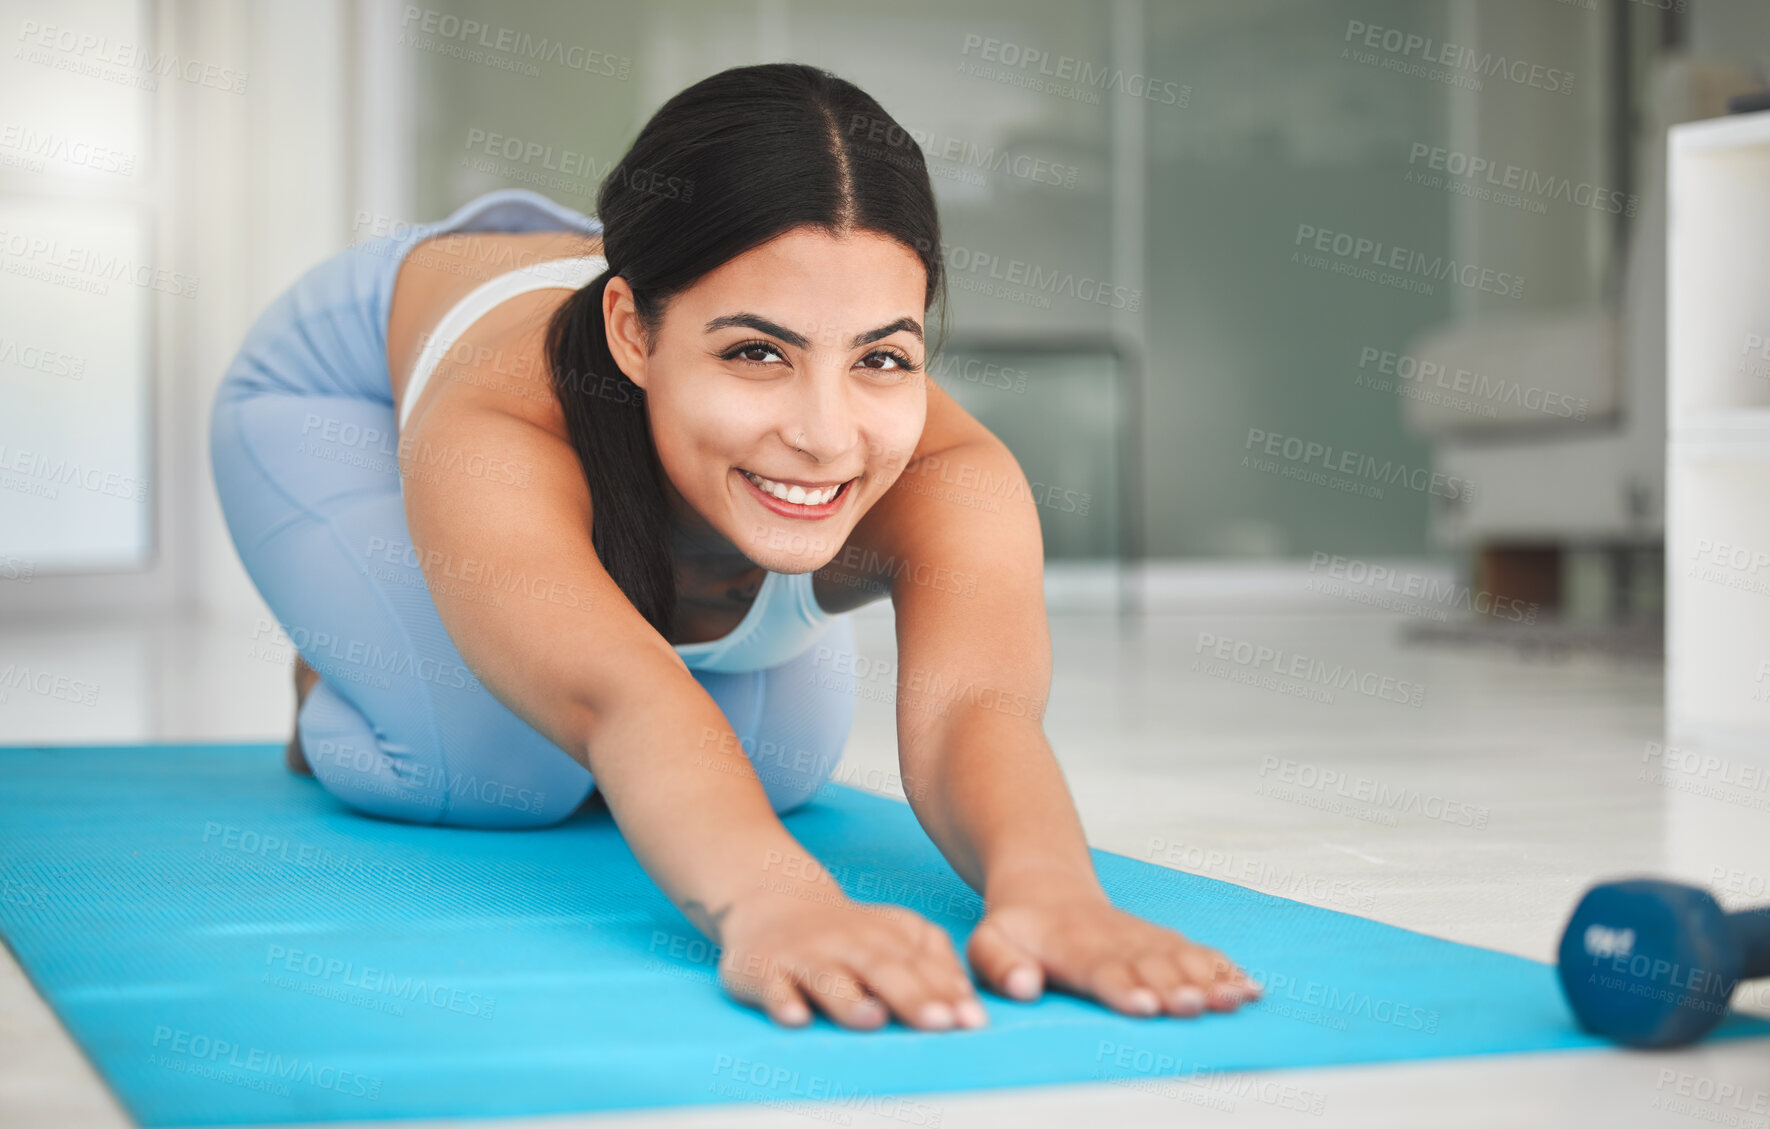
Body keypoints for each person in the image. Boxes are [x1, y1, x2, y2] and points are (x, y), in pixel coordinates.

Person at [210, 61, 1260, 1034]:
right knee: (493, 772)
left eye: (883, 356)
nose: (826, 431)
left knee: (781, 768)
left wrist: (1056, 896)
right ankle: (341, 676)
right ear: (632, 330)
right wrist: (776, 903)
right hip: (338, 394)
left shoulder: (949, 469)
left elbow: (971, 709)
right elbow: (621, 695)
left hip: (655, 390)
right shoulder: (502, 421)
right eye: (759, 351)